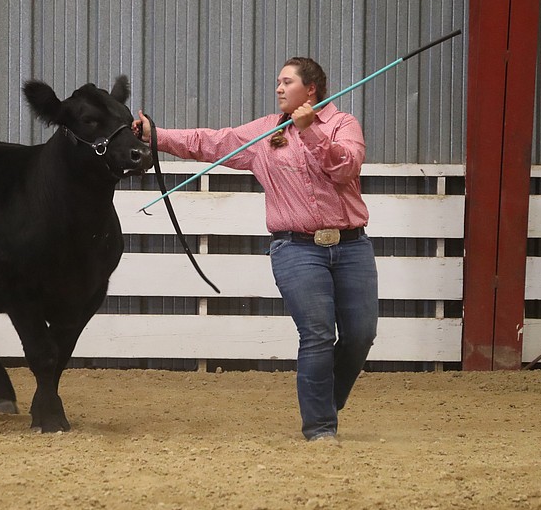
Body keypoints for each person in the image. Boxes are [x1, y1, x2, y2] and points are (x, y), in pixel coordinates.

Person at [133, 57, 378, 441]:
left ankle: (324, 402)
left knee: (361, 334)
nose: (278, 88)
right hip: (296, 249)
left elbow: (346, 168)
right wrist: (155, 135)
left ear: (310, 89)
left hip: (352, 247)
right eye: (278, 82)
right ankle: (320, 427)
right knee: (316, 333)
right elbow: (208, 142)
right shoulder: (264, 133)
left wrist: (310, 131)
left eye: (286, 82)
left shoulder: (342, 124)